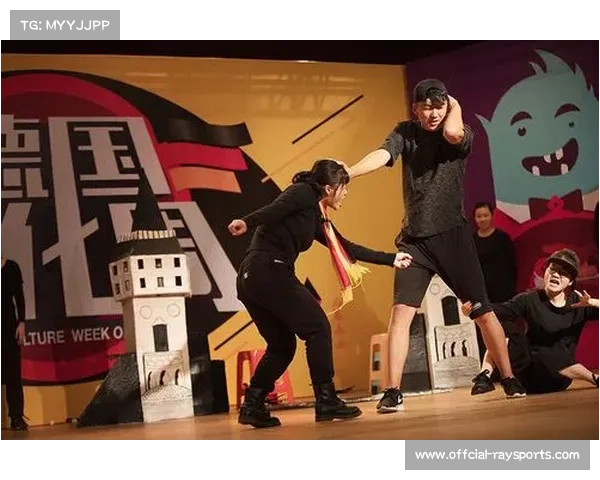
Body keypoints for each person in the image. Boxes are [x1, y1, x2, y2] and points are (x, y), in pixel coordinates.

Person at [347, 78, 526, 413]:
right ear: (415, 109)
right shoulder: (405, 133)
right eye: (425, 107)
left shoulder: (461, 134)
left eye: (438, 107)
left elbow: (453, 133)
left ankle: (509, 377)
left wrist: (454, 105)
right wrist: (350, 171)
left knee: (481, 310)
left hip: (452, 238)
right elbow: (383, 155)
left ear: (447, 106)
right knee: (400, 314)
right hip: (414, 241)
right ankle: (392, 391)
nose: (432, 114)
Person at [228, 159, 412, 428]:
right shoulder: (302, 192)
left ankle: (252, 406)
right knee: (318, 328)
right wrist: (246, 222)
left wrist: (391, 259)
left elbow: (345, 247)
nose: (346, 193)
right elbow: (274, 209)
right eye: (344, 187)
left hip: (254, 277)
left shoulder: (314, 215)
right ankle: (326, 400)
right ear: (329, 188)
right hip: (268, 270)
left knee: (282, 346)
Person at [465, 248, 600, 395]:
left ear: (571, 281)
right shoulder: (529, 300)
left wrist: (594, 302)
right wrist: (473, 309)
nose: (556, 274)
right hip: (528, 377)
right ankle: (484, 376)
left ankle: (594, 378)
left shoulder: (579, 304)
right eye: (553, 269)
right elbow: (497, 310)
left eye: (563, 273)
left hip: (558, 376)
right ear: (545, 272)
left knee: (549, 350)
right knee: (502, 327)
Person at [472, 201, 518, 360]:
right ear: (474, 219)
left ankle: (511, 364)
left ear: (492, 216)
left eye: (485, 215)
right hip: (482, 295)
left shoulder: (502, 238)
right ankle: (489, 367)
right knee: (484, 331)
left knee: (506, 329)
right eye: (479, 216)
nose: (482, 219)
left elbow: (512, 265)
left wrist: (510, 288)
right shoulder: (471, 242)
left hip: (504, 293)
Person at [0, 255, 28, 430]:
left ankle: (16, 416)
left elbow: (19, 297)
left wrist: (22, 322)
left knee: (13, 373)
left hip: (9, 326)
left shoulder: (11, 267)